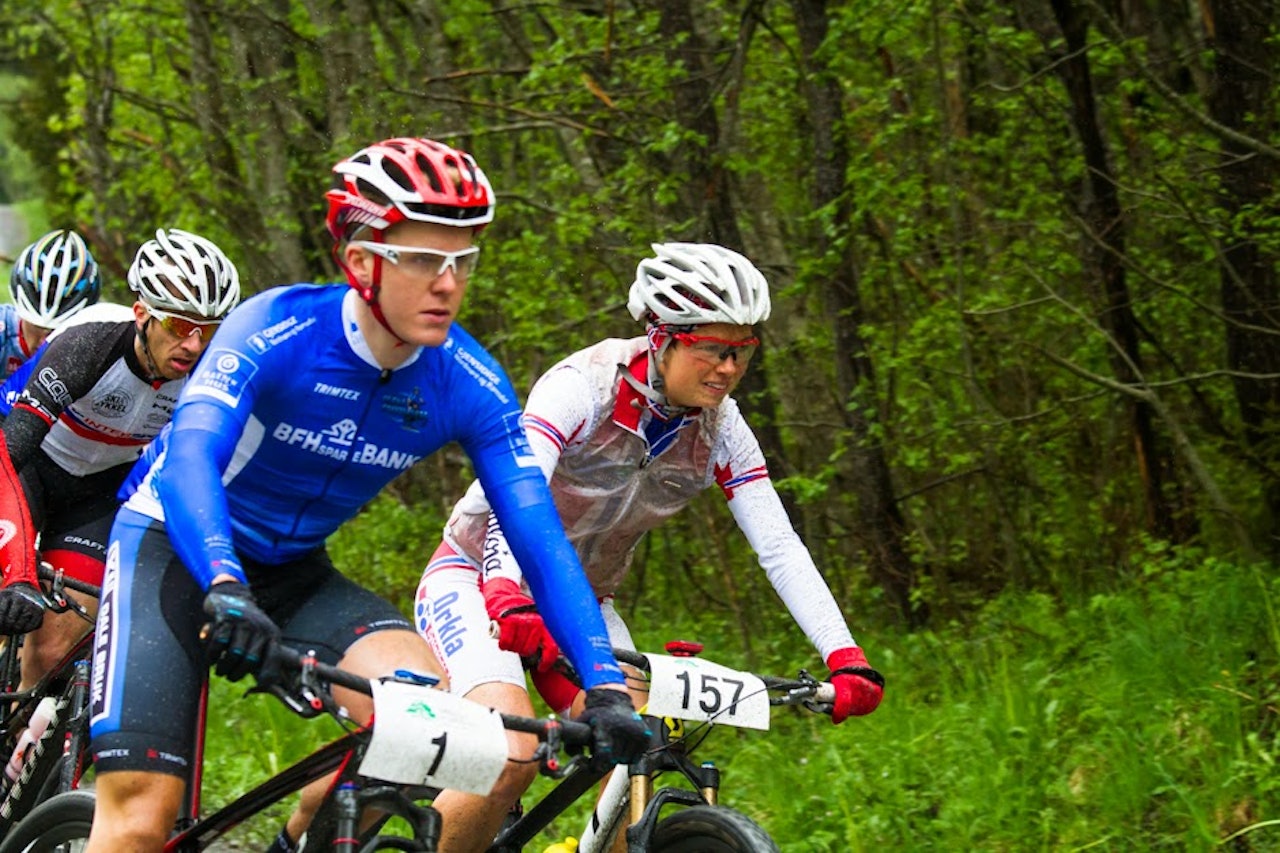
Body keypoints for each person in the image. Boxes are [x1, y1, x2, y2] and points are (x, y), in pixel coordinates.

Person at [83, 137, 648, 853]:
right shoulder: (276, 328)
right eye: (422, 259)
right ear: (361, 262)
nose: (447, 283)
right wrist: (224, 583)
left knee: (437, 734)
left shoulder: (465, 380)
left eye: (462, 261)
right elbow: (190, 456)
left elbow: (538, 539)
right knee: (138, 821)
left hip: (293, 570)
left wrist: (600, 682)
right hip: (175, 547)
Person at [416, 242, 886, 847]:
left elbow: (779, 544)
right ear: (662, 337)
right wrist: (506, 592)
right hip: (476, 580)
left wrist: (844, 655)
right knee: (512, 753)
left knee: (635, 746)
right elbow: (519, 495)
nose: (729, 369)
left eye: (743, 351)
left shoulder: (723, 428)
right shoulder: (580, 387)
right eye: (713, 349)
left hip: (580, 600)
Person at [0, 228, 241, 694]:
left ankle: (16, 753)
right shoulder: (88, 344)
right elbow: (9, 453)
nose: (192, 345)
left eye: (207, 330)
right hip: (26, 470)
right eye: (177, 326)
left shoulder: (210, 376)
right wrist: (19, 574)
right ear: (141, 314)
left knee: (53, 653)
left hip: (95, 496)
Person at [0, 229, 101, 380]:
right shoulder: (4, 329)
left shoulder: (97, 348)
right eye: (37, 327)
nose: (43, 342)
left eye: (57, 331)